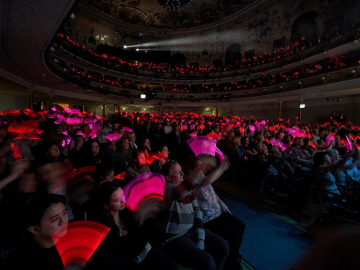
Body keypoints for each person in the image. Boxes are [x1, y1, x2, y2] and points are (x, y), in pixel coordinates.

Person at [156, 160, 229, 270]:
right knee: (208, 263)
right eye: (178, 172)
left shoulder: (187, 191)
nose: (182, 174)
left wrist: (200, 237)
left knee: (224, 246)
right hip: (173, 238)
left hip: (190, 230)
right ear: (169, 178)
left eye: (181, 171)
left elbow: (197, 212)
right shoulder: (165, 189)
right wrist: (199, 170)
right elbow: (178, 192)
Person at [88, 182, 177, 270]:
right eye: (117, 200)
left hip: (142, 252)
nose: (123, 201)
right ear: (106, 205)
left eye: (123, 195)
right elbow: (109, 263)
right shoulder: (101, 229)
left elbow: (142, 237)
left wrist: (147, 216)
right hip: (127, 263)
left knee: (170, 265)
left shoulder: (127, 214)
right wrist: (136, 260)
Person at [188, 156, 246, 270]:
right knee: (236, 237)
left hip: (217, 210)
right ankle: (228, 265)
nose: (201, 168)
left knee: (241, 226)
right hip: (208, 218)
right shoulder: (191, 180)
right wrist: (222, 167)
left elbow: (211, 190)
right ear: (190, 169)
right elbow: (206, 182)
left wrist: (221, 203)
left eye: (202, 165)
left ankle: (233, 256)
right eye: (198, 166)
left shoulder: (202, 176)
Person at [13, 194, 69, 270]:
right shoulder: (25, 260)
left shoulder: (75, 244)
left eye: (64, 213)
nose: (63, 221)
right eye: (55, 219)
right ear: (35, 229)